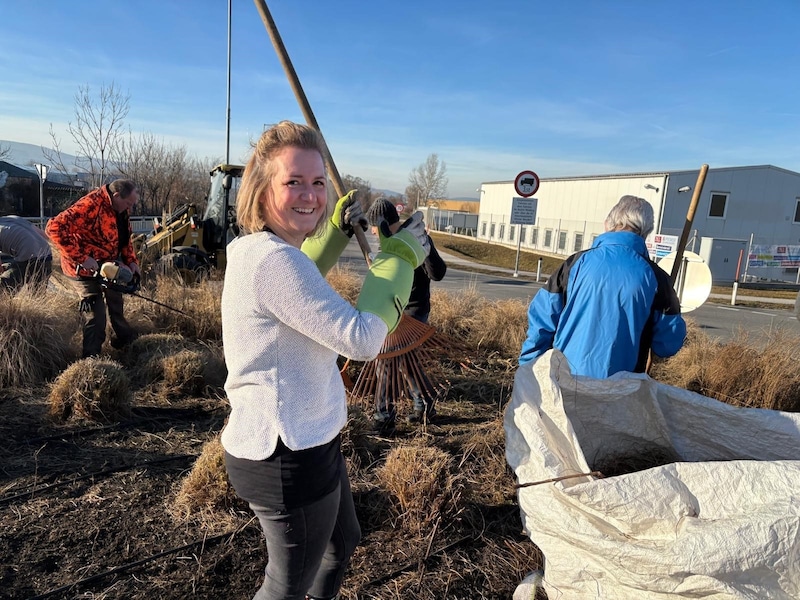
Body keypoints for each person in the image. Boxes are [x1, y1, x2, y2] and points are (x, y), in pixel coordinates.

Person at [220, 120, 430, 600]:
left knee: (341, 544)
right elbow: (361, 339)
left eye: (317, 182)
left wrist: (334, 233)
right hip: (286, 452)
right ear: (261, 188)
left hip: (308, 437)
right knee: (286, 584)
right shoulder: (274, 260)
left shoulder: (265, 252)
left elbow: (301, 281)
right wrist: (398, 257)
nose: (310, 194)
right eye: (293, 181)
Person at [519, 195, 686, 378]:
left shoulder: (574, 264)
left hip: (565, 379)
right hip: (622, 387)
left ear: (608, 224)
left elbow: (541, 321)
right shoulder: (657, 278)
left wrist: (528, 369)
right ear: (647, 231)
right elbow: (667, 344)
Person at [366, 199, 447, 430]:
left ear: (386, 222)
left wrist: (426, 249)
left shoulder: (414, 238)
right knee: (395, 361)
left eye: (375, 226)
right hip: (390, 308)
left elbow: (437, 273)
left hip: (413, 310)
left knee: (394, 359)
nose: (373, 232)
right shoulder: (385, 241)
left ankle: (390, 414)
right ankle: (416, 405)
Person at [46, 179, 141, 358]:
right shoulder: (90, 205)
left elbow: (125, 238)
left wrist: (131, 261)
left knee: (116, 301)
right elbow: (53, 228)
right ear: (116, 196)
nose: (129, 207)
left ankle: (125, 342)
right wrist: (82, 258)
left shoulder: (122, 209)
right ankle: (91, 359)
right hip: (80, 268)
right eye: (128, 203)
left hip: (107, 266)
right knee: (96, 314)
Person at [0, 215, 52, 292]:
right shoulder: (13, 218)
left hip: (27, 256)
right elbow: (44, 235)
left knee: (3, 290)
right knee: (37, 295)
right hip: (47, 255)